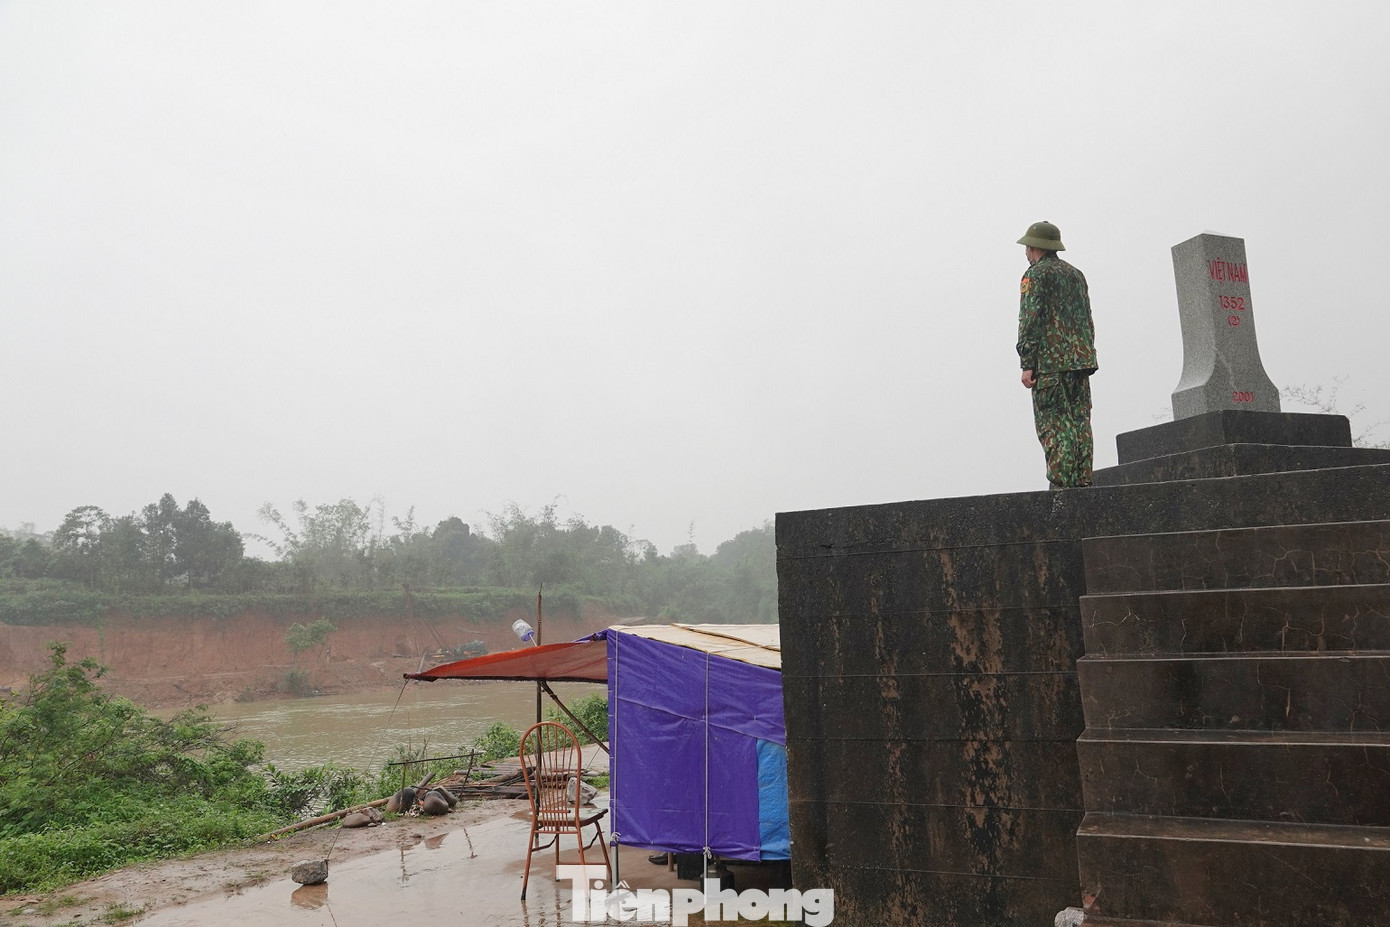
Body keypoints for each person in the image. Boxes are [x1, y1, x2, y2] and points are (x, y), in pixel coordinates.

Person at [1015, 220, 1098, 488]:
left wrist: (1027, 363)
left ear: (1033, 247)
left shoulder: (1035, 275)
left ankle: (1062, 486)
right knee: (1080, 421)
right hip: (1080, 362)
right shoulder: (1076, 275)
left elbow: (1030, 321)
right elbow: (1087, 318)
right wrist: (1086, 355)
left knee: (1055, 423)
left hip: (1049, 366)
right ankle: (1083, 480)